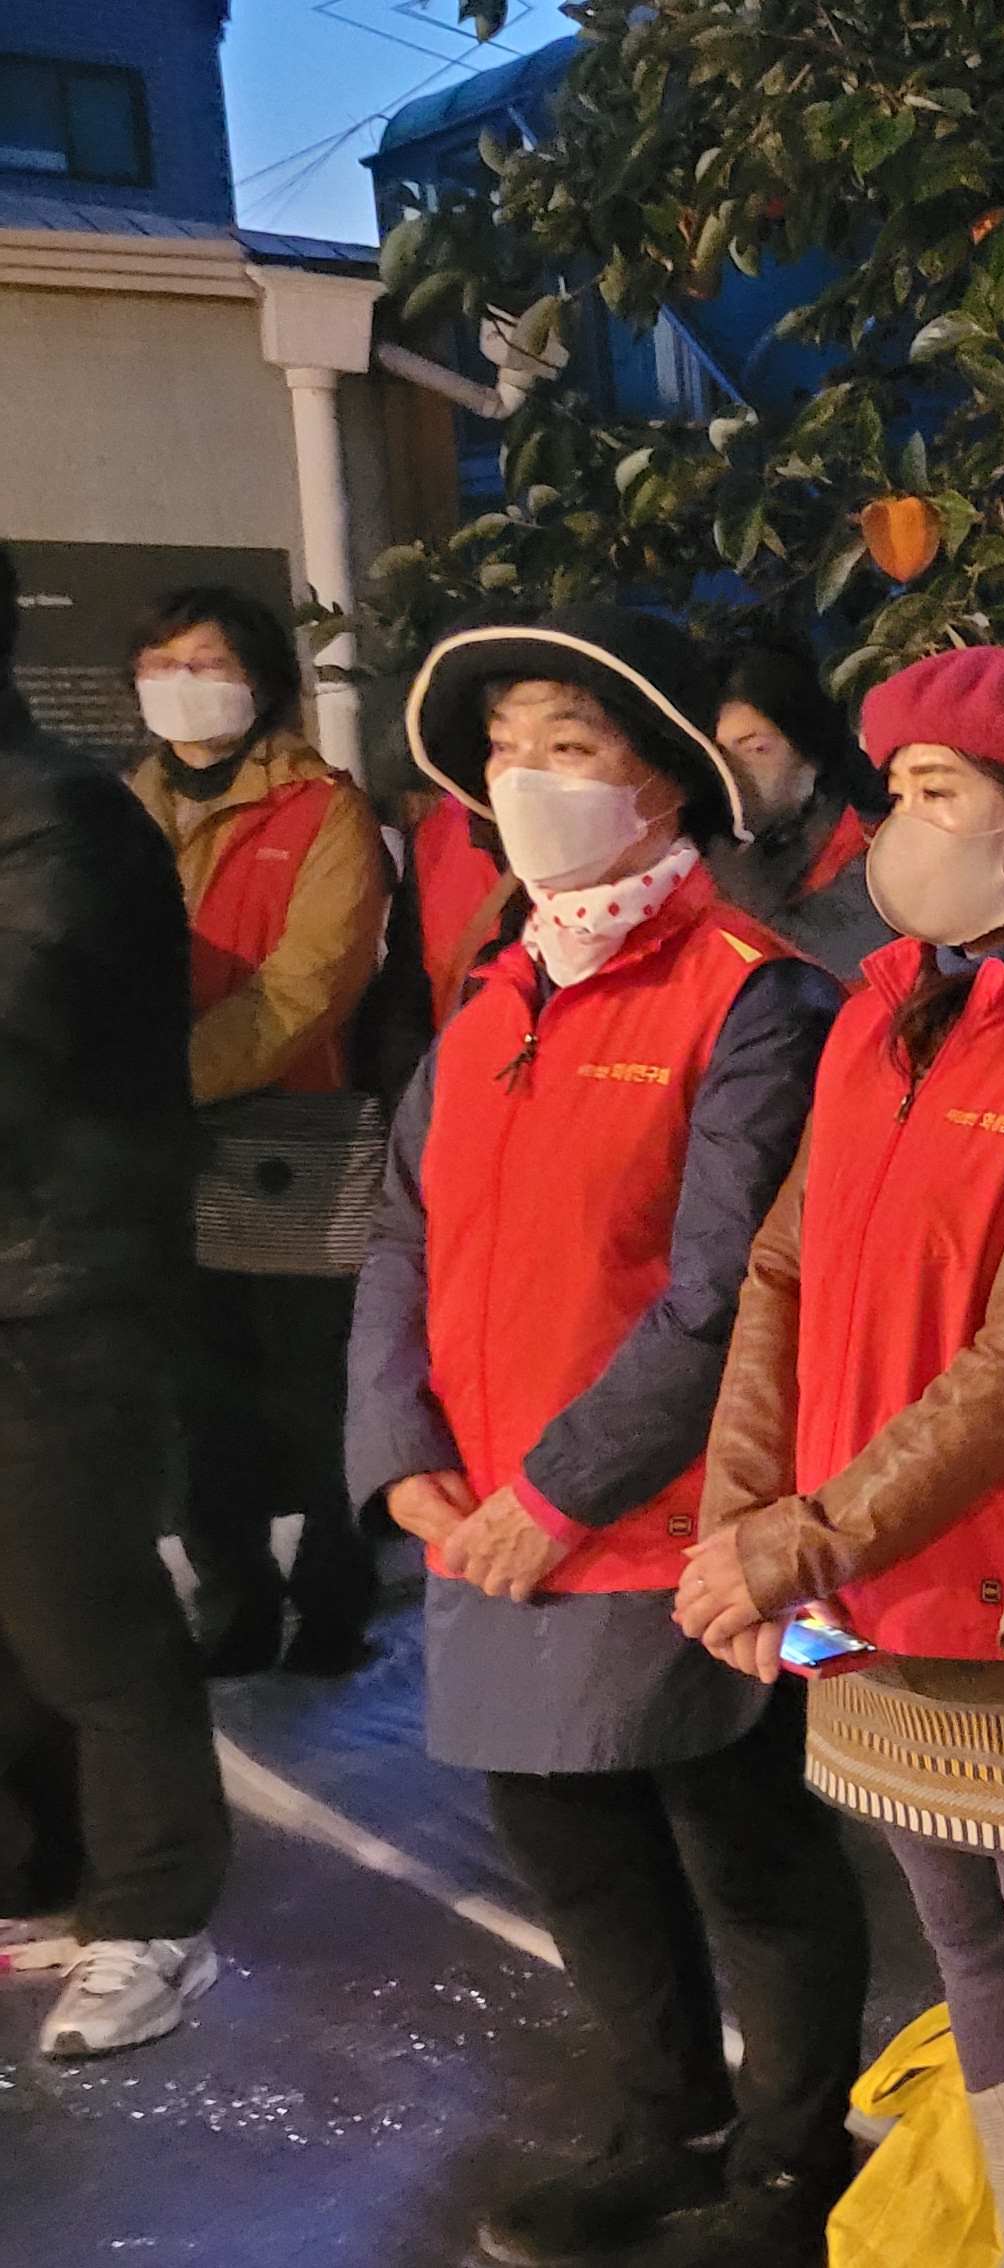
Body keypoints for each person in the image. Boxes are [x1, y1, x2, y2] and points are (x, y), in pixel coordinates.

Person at [348, 606, 867, 2268]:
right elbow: (403, 1232)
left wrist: (560, 1490)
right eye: (506, 748)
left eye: (569, 745)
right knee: (571, 1849)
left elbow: (725, 1297)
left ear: (667, 784)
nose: (527, 779)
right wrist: (398, 1448)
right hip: (490, 1525)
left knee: (747, 1851)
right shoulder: (494, 995)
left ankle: (789, 2167)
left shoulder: (753, 999)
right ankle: (662, 2125)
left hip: (668, 1523)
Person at [675, 647, 1004, 2268]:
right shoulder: (880, 1012)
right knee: (958, 1938)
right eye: (895, 787)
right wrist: (744, 1513)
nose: (895, 824)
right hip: (855, 1589)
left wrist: (798, 1535)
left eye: (932, 792)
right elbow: (781, 1265)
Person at [0, 543, 232, 2059]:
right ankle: (46, 1875)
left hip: (58, 1286)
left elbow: (17, 1037)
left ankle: (154, 1913)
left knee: (82, 1609)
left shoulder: (57, 818)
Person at [123, 584, 393, 1677]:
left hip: (295, 1136)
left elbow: (310, 984)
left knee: (316, 1391)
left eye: (206, 664)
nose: (180, 686)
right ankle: (232, 1601)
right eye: (160, 665)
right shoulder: (119, 810)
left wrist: (163, 1076)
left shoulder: (323, 811)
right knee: (199, 1397)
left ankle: (334, 1599)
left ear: (262, 681)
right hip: (157, 1146)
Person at [703, 635, 898, 972]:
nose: (731, 775)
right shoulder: (706, 859)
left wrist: (745, 895)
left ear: (811, 754)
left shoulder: (878, 859)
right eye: (716, 755)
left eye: (755, 750)